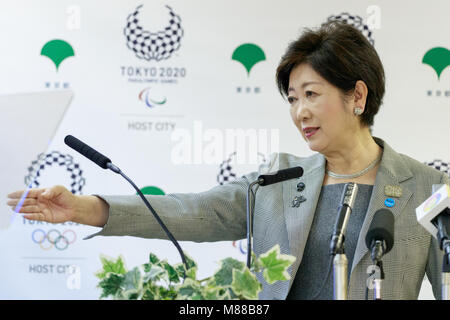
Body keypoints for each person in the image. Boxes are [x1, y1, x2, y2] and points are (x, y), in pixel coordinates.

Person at [7, 21, 450, 300]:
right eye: (293, 99)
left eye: (311, 95)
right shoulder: (278, 178)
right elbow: (196, 211)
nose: (300, 112)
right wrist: (84, 208)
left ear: (357, 95)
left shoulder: (426, 187)